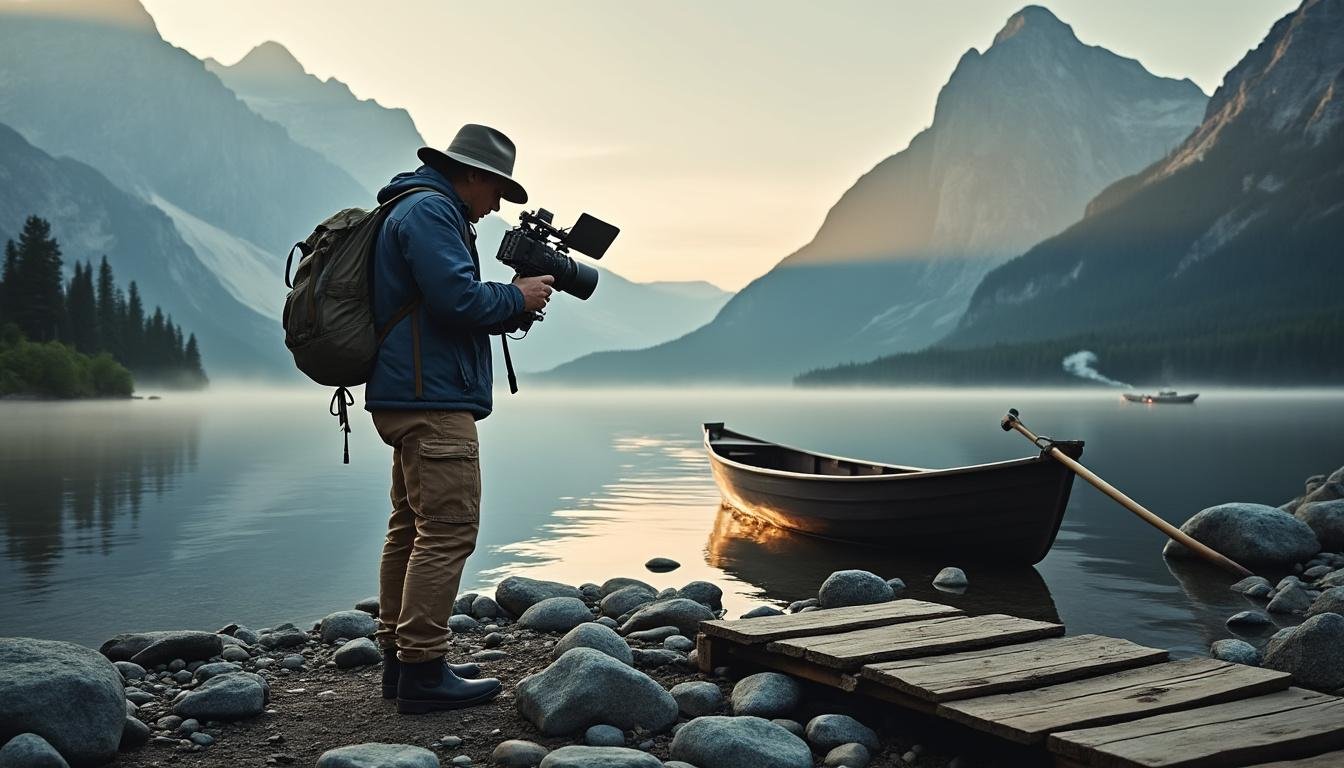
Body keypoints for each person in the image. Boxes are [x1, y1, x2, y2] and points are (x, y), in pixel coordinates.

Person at [365, 124, 554, 714]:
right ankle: (422, 668)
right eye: (496, 189)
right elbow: (457, 301)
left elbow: (437, 302)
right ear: (471, 174)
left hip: (407, 394)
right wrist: (517, 297)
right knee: (448, 529)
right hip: (431, 400)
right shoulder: (431, 212)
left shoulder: (411, 205)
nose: (497, 204)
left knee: (411, 525)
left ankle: (402, 659)